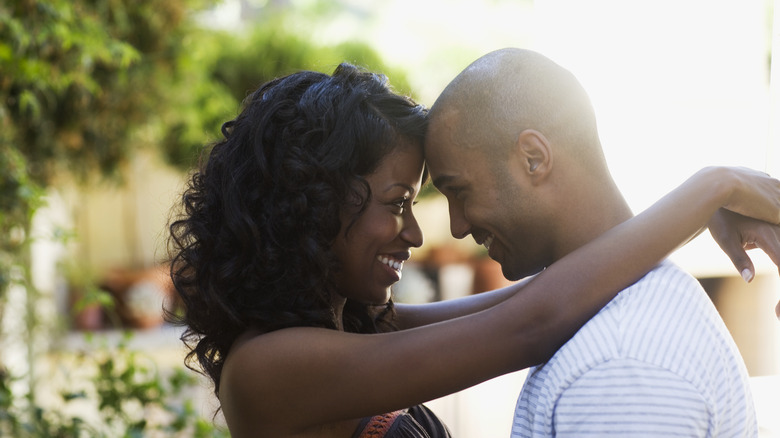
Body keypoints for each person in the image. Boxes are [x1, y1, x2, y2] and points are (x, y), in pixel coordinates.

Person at [168, 62, 780, 438]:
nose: (418, 233)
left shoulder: (354, 328)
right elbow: (530, 323)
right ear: (315, 204)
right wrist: (712, 187)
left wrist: (699, 215)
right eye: (398, 202)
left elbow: (543, 295)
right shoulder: (269, 370)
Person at [424, 48, 780, 437]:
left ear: (533, 158)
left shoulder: (620, 364)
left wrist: (712, 191)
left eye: (459, 191)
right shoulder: (616, 325)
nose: (456, 228)